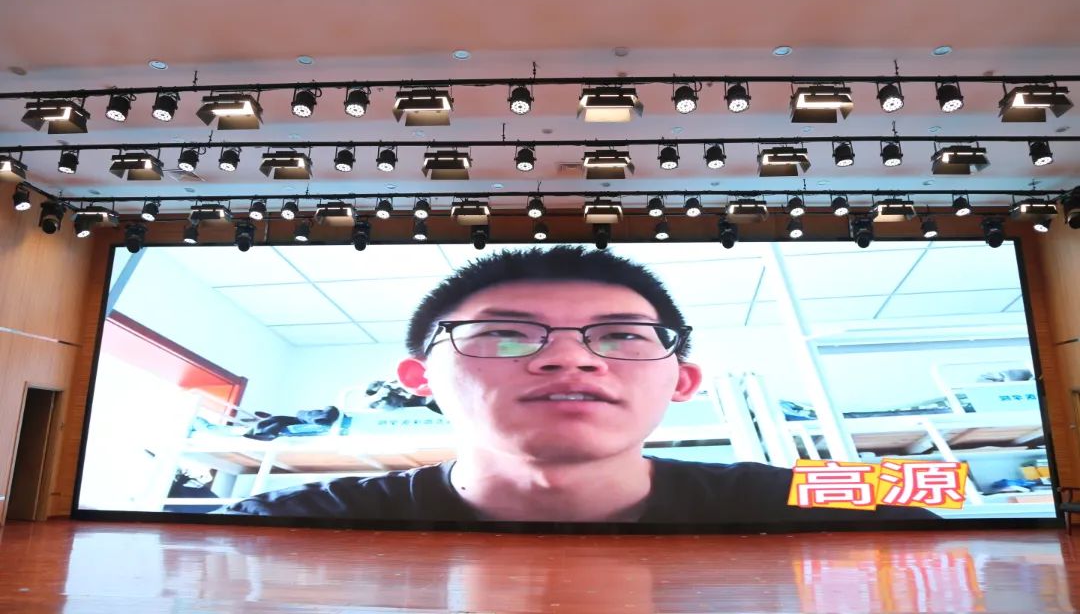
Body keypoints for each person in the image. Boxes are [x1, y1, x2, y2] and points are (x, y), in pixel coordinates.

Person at [220, 246, 936, 524]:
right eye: (507, 335)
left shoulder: (830, 503)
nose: (571, 360)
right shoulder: (280, 528)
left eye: (621, 336)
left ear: (684, 380)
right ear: (419, 380)